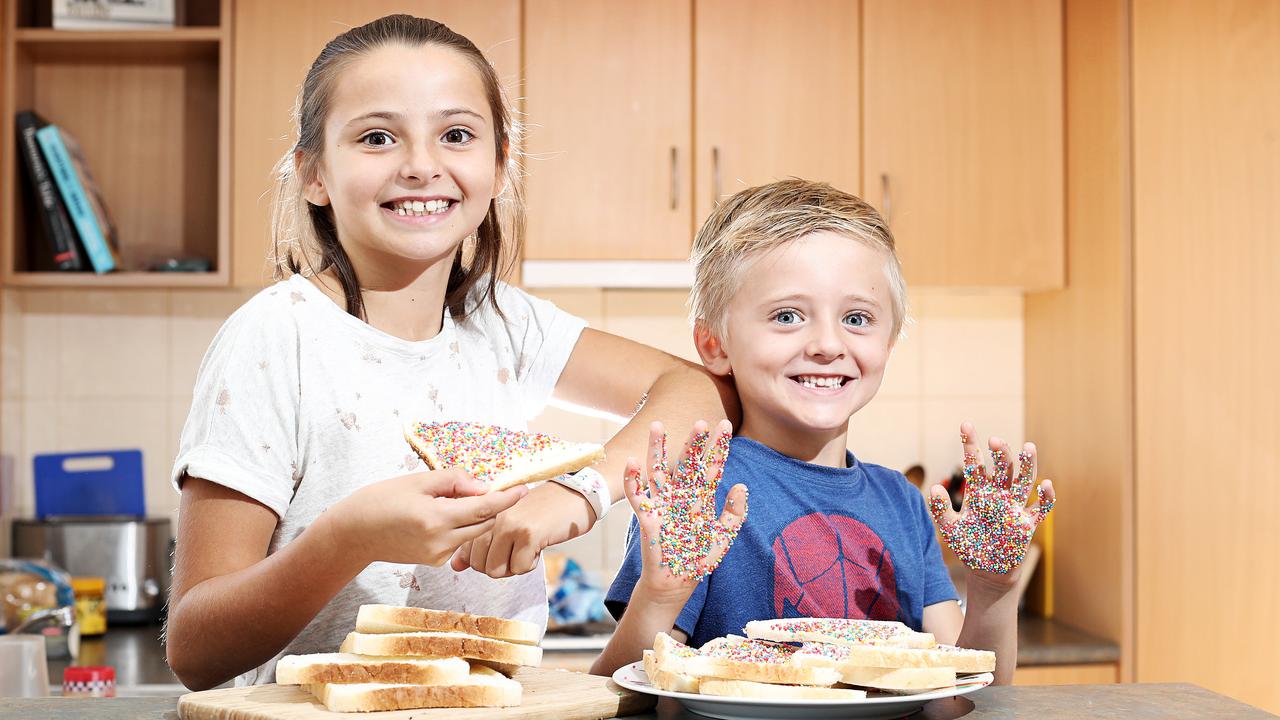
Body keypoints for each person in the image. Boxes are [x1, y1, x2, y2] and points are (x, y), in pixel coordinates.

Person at [163, 15, 735, 691]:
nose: (421, 165)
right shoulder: (274, 339)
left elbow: (697, 392)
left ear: (498, 167)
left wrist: (575, 495)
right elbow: (195, 651)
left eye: (456, 134)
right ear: (313, 173)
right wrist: (349, 538)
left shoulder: (503, 322)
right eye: (377, 137)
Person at [593, 180, 1055, 684]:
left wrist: (993, 592)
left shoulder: (903, 503)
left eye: (857, 318)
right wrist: (660, 596)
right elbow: (618, 696)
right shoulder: (695, 496)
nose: (828, 344)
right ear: (714, 343)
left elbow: (967, 695)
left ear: (890, 343)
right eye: (787, 316)